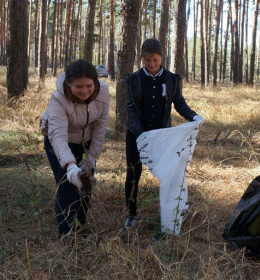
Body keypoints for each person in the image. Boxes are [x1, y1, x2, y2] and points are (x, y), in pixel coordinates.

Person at [124, 38, 204, 229]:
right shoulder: (134, 79)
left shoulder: (171, 79)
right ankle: (132, 214)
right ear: (142, 58)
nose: (151, 65)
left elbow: (179, 103)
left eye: (155, 61)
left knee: (171, 173)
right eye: (147, 60)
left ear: (162, 58)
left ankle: (174, 210)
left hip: (162, 136)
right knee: (133, 173)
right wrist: (142, 135)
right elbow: (131, 109)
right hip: (136, 134)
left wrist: (194, 116)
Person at [41, 59, 110, 238]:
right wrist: (70, 165)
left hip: (84, 143)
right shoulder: (58, 98)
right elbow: (58, 135)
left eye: (89, 85)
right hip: (59, 142)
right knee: (67, 186)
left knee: (85, 185)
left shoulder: (102, 92)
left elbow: (101, 126)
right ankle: (66, 236)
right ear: (69, 84)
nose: (85, 91)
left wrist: (92, 158)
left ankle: (79, 227)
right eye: (79, 86)